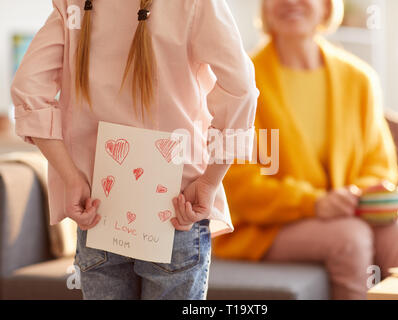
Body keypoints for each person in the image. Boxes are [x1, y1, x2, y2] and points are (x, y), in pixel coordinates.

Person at [10, 0, 258, 300]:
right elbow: (241, 89)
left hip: (99, 207)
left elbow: (28, 89)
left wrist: (71, 177)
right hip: (177, 209)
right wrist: (209, 181)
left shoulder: (74, 4)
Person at [213, 0, 398, 299]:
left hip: (348, 215)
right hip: (263, 227)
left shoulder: (359, 79)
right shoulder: (242, 81)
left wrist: (361, 198)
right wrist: (314, 203)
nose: (289, 3)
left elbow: (379, 165)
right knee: (350, 237)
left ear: (326, 6)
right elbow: (237, 184)